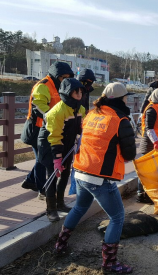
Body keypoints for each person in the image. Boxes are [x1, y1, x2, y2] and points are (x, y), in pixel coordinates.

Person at [54, 82, 136, 274]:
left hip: (81, 171)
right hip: (100, 177)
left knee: (80, 207)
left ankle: (60, 245)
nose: (128, 100)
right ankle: (109, 263)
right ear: (121, 99)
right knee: (117, 217)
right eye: (126, 97)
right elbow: (130, 154)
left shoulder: (91, 114)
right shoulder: (120, 120)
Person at [21, 61, 74, 199]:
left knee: (42, 158)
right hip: (37, 128)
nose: (65, 80)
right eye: (63, 77)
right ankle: (43, 189)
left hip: (48, 127)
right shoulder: (43, 85)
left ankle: (30, 180)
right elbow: (38, 105)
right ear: (56, 76)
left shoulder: (58, 86)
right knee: (42, 160)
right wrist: (52, 117)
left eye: (68, 77)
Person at [37, 78, 86, 222]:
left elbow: (79, 128)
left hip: (67, 144)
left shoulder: (80, 108)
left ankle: (60, 203)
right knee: (52, 175)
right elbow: (54, 136)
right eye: (75, 91)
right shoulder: (57, 111)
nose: (79, 94)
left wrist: (79, 141)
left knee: (65, 175)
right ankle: (50, 209)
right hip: (50, 144)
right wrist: (57, 158)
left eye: (80, 91)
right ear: (67, 93)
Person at [137, 88, 158, 203]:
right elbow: (149, 129)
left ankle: (148, 194)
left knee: (152, 171)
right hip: (150, 144)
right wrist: (156, 142)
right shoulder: (151, 110)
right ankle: (141, 194)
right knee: (146, 171)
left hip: (156, 143)